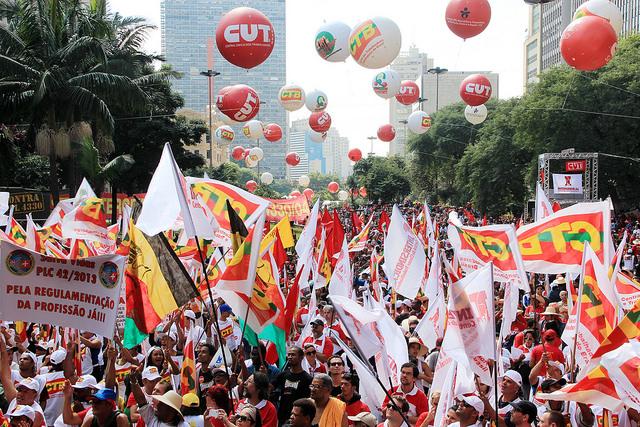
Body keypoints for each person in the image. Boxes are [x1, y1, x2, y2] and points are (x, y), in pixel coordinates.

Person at [271, 347, 312, 426]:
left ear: (301, 357)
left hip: (299, 419)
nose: (290, 357)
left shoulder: (308, 379)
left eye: (293, 355)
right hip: (282, 417)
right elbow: (269, 388)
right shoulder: (282, 375)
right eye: (289, 355)